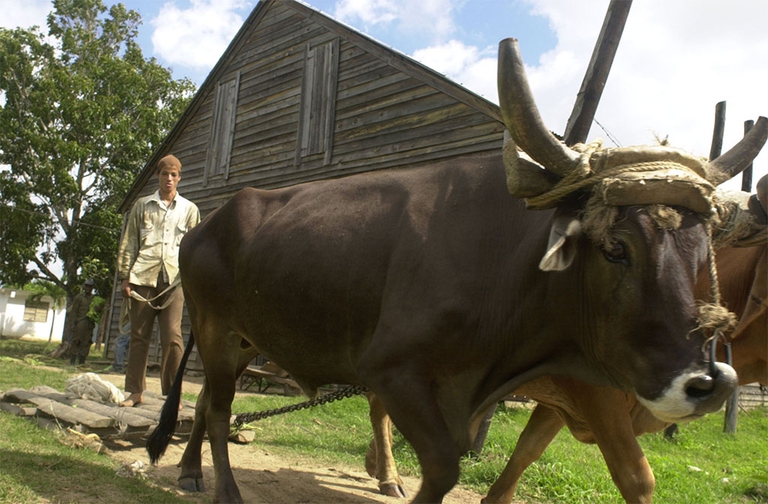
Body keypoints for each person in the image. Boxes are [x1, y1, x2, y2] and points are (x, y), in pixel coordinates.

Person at [117, 154, 200, 407]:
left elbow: (194, 248)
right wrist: (125, 277)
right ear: (158, 176)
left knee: (172, 337)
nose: (169, 179)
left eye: (174, 175)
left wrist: (192, 281)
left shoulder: (189, 210)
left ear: (179, 178)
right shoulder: (142, 206)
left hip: (174, 281)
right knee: (139, 336)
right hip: (143, 277)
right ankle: (134, 392)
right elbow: (130, 242)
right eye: (165, 174)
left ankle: (171, 395)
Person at [67, 279, 96, 366]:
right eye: (86, 286)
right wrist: (72, 324)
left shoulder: (94, 299)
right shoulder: (79, 297)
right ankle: (72, 361)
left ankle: (81, 362)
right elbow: (74, 311)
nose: (87, 288)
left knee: (86, 342)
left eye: (89, 287)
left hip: (89, 323)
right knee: (76, 341)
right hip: (80, 322)